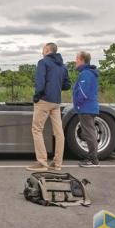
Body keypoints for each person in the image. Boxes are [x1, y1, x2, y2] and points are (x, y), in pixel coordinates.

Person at [27, 42, 71, 172]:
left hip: (44, 100)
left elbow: (40, 82)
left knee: (37, 129)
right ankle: (57, 164)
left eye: (43, 49)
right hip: (56, 102)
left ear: (47, 50)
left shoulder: (43, 62)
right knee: (59, 133)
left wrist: (37, 95)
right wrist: (56, 85)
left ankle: (41, 162)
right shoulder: (62, 66)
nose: (42, 52)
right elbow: (67, 85)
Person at [73, 51, 100, 168]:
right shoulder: (88, 73)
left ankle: (93, 160)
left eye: (77, 59)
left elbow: (83, 92)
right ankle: (92, 158)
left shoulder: (86, 74)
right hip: (88, 107)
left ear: (83, 60)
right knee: (89, 133)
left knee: (89, 133)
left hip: (86, 108)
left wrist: (78, 104)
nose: (75, 61)